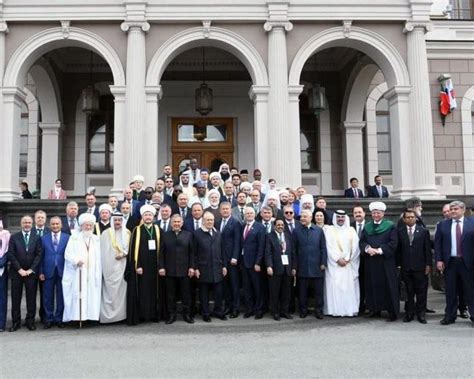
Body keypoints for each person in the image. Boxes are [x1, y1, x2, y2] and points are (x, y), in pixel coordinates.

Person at [435, 200, 474, 326]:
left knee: (470, 290)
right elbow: (438, 244)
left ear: (463, 210)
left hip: (467, 262)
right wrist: (439, 260)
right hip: (450, 262)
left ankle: (473, 315)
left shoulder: (472, 223)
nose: (452, 211)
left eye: (455, 209)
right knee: (450, 291)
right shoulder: (443, 225)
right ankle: (450, 316)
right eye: (451, 209)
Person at [359, 201, 399, 321]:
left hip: (385, 262)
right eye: (374, 213)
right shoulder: (367, 227)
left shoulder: (390, 226)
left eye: (378, 213)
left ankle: (392, 312)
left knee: (389, 286)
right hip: (371, 262)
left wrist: (380, 250)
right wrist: (367, 248)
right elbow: (362, 241)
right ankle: (374, 309)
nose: (376, 215)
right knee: (372, 285)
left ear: (383, 213)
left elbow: (393, 243)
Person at [62, 213, 102, 324]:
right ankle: (78, 317)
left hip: (92, 272)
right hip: (78, 271)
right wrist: (76, 261)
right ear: (82, 226)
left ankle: (91, 317)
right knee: (79, 294)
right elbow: (68, 254)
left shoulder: (96, 239)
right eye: (86, 225)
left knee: (92, 294)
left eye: (90, 225)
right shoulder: (74, 238)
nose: (88, 227)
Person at [125, 205, 161, 325]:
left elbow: (162, 249)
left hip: (155, 266)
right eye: (146, 215)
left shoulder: (157, 229)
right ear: (142, 217)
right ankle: (143, 314)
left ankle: (153, 314)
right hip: (142, 267)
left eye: (150, 215)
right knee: (143, 290)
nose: (148, 217)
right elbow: (133, 249)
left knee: (154, 290)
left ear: (153, 216)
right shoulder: (137, 230)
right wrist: (137, 265)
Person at [397, 209, 432, 324]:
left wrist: (428, 265)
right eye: (408, 217)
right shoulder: (400, 232)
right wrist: (398, 265)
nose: (410, 219)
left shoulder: (423, 231)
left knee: (421, 292)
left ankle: (421, 314)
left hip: (420, 267)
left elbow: (427, 250)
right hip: (406, 267)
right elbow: (398, 251)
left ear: (416, 218)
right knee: (409, 292)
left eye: (412, 217)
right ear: (404, 219)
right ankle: (409, 313)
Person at [8, 215, 42, 331]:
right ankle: (16, 322)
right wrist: (20, 270)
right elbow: (11, 254)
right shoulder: (14, 237)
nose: (27, 224)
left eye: (29, 222)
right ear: (21, 224)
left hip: (31, 273)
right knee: (15, 299)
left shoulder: (37, 237)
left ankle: (30, 321)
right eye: (24, 222)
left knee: (31, 298)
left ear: (32, 224)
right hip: (16, 273)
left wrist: (30, 270)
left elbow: (38, 254)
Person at [159, 214, 195, 324]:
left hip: (185, 270)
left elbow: (192, 253)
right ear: (171, 223)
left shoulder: (188, 235)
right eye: (174, 222)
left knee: (186, 294)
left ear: (182, 223)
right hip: (169, 270)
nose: (176, 224)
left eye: (178, 222)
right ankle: (171, 315)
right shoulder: (165, 235)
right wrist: (161, 267)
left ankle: (187, 314)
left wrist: (192, 267)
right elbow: (161, 253)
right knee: (170, 295)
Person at [323, 210, 360, 317]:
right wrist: (337, 259)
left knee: (347, 288)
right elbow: (328, 246)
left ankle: (348, 310)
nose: (340, 219)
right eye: (338, 217)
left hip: (348, 265)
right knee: (335, 287)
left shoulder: (351, 230)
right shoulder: (329, 230)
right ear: (335, 218)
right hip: (335, 265)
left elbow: (356, 247)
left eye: (342, 217)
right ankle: (335, 310)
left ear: (346, 218)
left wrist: (348, 259)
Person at [293, 209, 327, 319]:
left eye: (305, 217)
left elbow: (323, 248)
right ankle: (303, 310)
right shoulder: (296, 231)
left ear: (310, 218)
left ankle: (319, 310)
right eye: (301, 217)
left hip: (317, 266)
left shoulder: (318, 230)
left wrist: (323, 262)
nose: (302, 218)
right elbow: (294, 250)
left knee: (318, 292)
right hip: (302, 266)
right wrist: (295, 266)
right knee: (302, 292)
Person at [193, 212, 228, 322]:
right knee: (204, 293)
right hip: (203, 268)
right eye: (208, 220)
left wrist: (224, 266)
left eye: (212, 220)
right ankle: (205, 313)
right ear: (203, 220)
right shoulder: (197, 234)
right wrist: (196, 268)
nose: (210, 222)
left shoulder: (218, 233)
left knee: (218, 292)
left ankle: (218, 311)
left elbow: (223, 251)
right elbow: (193, 253)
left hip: (217, 267)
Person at [100, 213, 130, 324]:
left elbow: (129, 249)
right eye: (115, 220)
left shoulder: (127, 233)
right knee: (109, 292)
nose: (117, 222)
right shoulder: (105, 233)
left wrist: (123, 254)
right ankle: (107, 317)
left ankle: (121, 316)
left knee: (121, 291)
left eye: (119, 220)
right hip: (109, 268)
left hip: (122, 267)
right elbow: (102, 252)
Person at [40, 216, 69, 329]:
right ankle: (49, 318)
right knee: (47, 296)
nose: (55, 226)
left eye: (57, 224)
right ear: (50, 225)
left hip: (63, 271)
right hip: (48, 271)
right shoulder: (44, 238)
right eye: (53, 224)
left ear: (61, 225)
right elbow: (40, 257)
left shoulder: (67, 238)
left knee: (61, 295)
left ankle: (59, 318)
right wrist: (41, 271)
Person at [265, 219, 294, 321]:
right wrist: (269, 266)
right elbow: (267, 253)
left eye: (282, 225)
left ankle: (284, 311)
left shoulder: (288, 236)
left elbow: (292, 252)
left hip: (287, 268)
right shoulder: (269, 236)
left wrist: (294, 267)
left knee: (286, 292)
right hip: (275, 268)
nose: (280, 226)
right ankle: (275, 312)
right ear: (274, 226)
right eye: (278, 225)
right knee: (274, 292)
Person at [217, 202, 242, 318]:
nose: (225, 211)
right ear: (220, 210)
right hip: (221, 259)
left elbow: (238, 242)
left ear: (230, 210)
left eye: (227, 209)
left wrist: (235, 257)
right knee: (225, 285)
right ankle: (228, 306)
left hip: (232, 260)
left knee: (234, 285)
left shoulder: (236, 223)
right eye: (223, 209)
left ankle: (235, 308)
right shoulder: (217, 223)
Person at [241, 206, 266, 319]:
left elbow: (261, 247)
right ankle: (249, 309)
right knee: (247, 288)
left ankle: (259, 309)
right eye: (247, 213)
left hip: (255, 264)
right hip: (244, 263)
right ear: (244, 215)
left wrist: (258, 263)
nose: (249, 215)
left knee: (257, 288)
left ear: (255, 214)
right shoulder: (242, 226)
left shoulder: (260, 227)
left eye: (251, 213)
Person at [351, 206, 366, 314]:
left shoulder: (370, 226)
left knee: (366, 284)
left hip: (366, 260)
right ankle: (357, 306)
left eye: (360, 212)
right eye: (355, 212)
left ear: (364, 213)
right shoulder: (349, 226)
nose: (358, 214)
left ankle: (366, 306)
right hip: (352, 261)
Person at [0, 220, 11, 332]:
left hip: (1, 273)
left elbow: (7, 253)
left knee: (2, 299)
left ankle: (1, 323)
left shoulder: (6, 236)